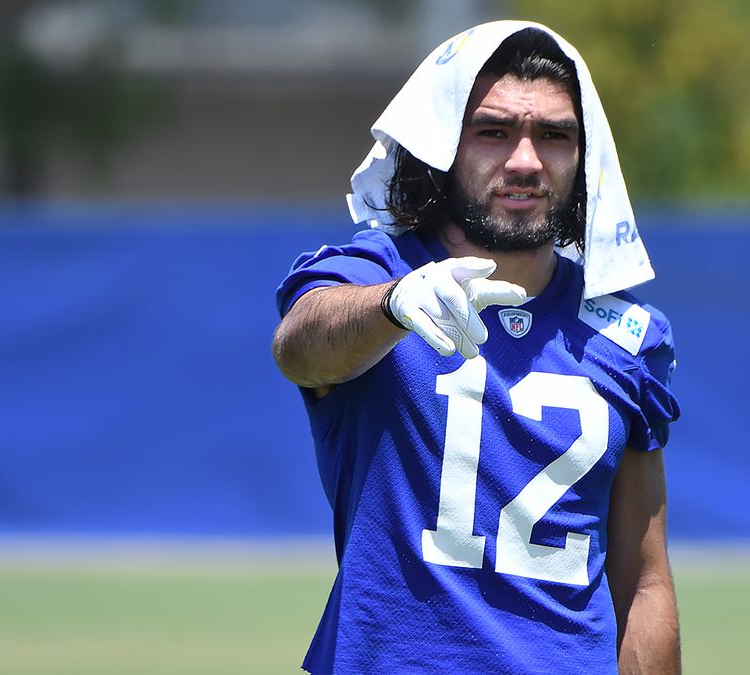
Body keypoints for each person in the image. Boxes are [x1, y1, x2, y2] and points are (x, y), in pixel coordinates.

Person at [271, 21, 681, 674]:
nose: (525, 159)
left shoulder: (625, 333)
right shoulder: (373, 274)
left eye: (554, 135)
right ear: (442, 144)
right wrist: (393, 304)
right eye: (494, 131)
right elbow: (300, 347)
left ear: (584, 156)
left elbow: (646, 584)